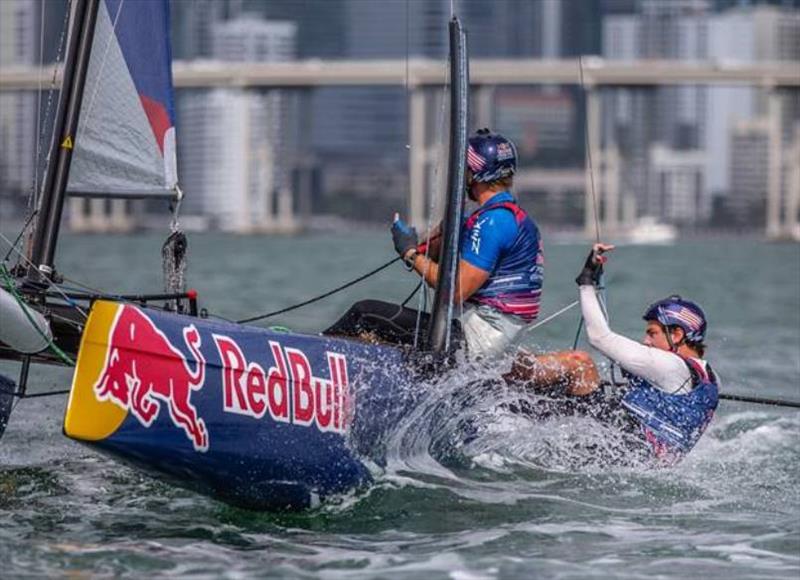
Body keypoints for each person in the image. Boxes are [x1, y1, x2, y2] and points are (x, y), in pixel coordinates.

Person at [324, 129, 544, 357]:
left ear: (475, 173)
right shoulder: (509, 218)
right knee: (385, 333)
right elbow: (435, 257)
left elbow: (456, 290)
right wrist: (443, 230)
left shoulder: (492, 222)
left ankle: (314, 357)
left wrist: (410, 253)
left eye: (464, 170)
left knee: (365, 313)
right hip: (488, 338)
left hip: (474, 341)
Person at [508, 244, 719, 462]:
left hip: (619, 449)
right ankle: (513, 400)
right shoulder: (709, 377)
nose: (645, 341)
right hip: (637, 454)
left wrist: (586, 282)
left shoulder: (671, 366)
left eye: (652, 333)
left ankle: (499, 374)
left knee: (578, 362)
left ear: (676, 335)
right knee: (584, 375)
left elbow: (599, 337)